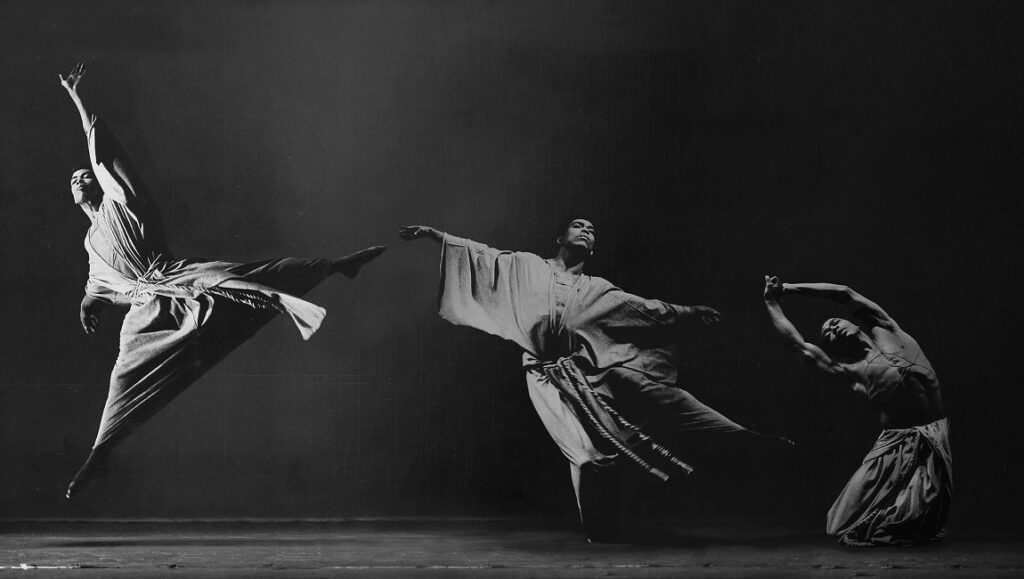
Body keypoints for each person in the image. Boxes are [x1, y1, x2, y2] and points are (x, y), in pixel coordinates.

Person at [60, 63, 386, 499]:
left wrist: (76, 97)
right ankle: (101, 453)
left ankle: (334, 266)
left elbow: (100, 151)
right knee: (123, 373)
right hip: (149, 308)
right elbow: (97, 284)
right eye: (74, 179)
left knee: (254, 280)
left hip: (178, 277)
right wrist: (88, 304)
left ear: (100, 185)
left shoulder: (122, 202)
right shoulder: (91, 242)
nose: (81, 179)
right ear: (72, 196)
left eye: (85, 175)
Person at [399, 220, 786, 541]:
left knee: (659, 400)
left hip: (587, 371)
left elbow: (644, 309)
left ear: (594, 248)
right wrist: (436, 236)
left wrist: (688, 312)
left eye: (592, 230)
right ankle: (599, 530)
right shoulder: (527, 267)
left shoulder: (597, 289)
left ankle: (744, 438)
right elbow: (484, 256)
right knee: (590, 458)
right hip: (544, 374)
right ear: (560, 238)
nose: (586, 230)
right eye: (578, 226)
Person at [762, 275, 951, 546]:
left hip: (933, 438)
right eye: (827, 333)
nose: (833, 328)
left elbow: (845, 293)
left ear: (853, 322)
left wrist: (788, 289)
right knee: (838, 523)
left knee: (917, 517)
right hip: (894, 446)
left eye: (834, 321)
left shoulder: (886, 328)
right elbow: (798, 345)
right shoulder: (851, 372)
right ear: (835, 349)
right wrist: (771, 302)